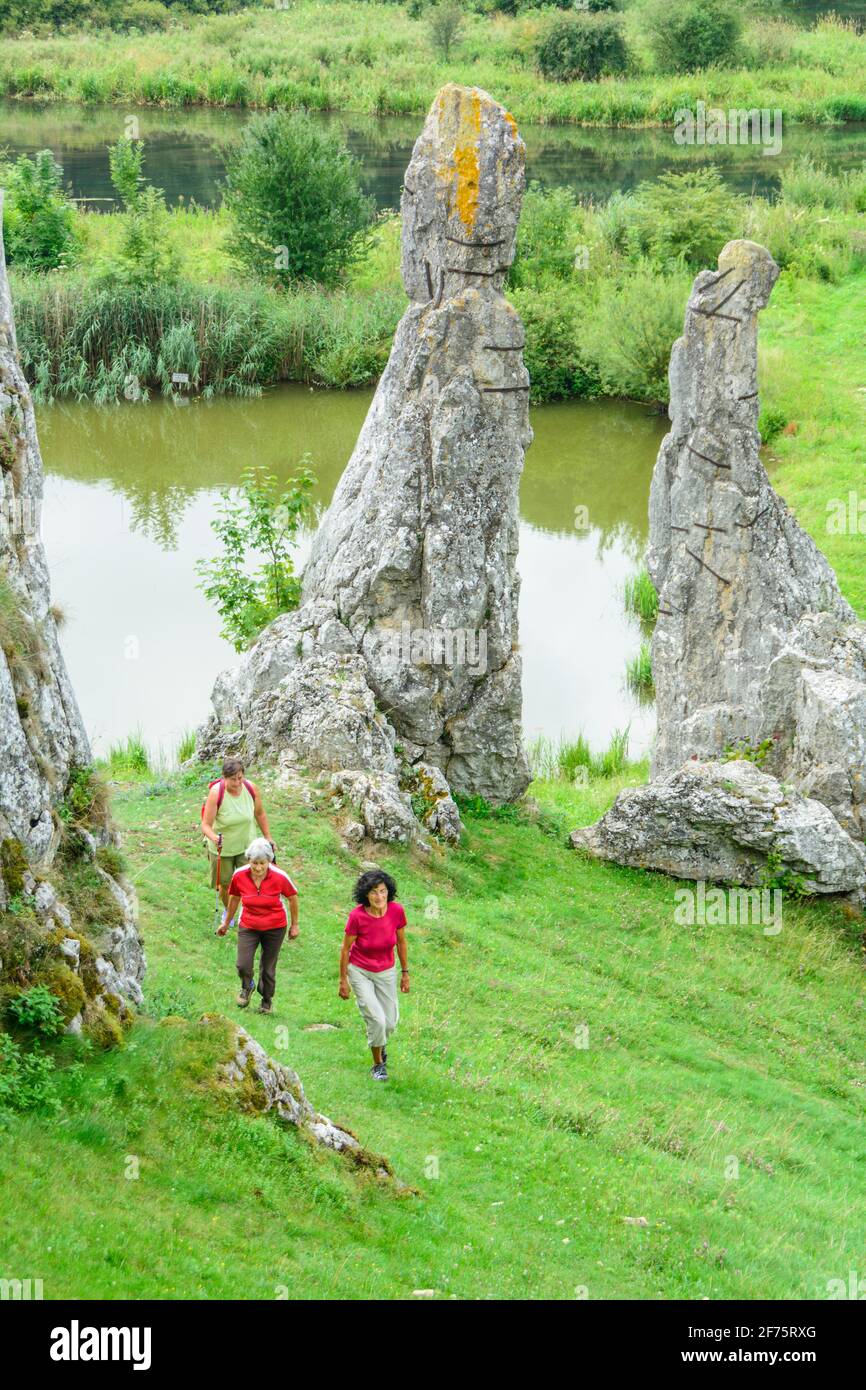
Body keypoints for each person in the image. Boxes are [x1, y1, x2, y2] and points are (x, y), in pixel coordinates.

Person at [338, 870, 409, 1081]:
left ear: (389, 892)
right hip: (360, 971)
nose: (379, 897)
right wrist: (343, 980)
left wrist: (405, 973)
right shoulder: (357, 916)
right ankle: (378, 1065)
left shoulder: (396, 912)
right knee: (376, 1020)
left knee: (390, 1023)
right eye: (373, 893)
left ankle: (381, 1045)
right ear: (365, 895)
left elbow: (402, 942)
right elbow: (344, 949)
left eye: (382, 891)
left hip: (386, 971)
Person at [218, 838, 299, 1015]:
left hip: (275, 926)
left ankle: (266, 1000)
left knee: (268, 968)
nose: (258, 868)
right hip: (249, 924)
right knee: (242, 964)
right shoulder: (239, 875)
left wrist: (295, 925)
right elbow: (234, 898)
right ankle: (247, 987)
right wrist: (226, 923)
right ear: (249, 860)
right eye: (254, 863)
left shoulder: (279, 876)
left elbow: (292, 897)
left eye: (262, 863)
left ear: (269, 861)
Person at [201, 758, 274, 927]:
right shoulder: (216, 793)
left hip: (247, 846)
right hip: (222, 849)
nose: (237, 782)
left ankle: (247, 910)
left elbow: (260, 814)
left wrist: (268, 837)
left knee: (252, 880)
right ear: (224, 778)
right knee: (225, 884)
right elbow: (205, 825)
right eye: (233, 779)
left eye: (240, 777)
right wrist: (214, 838)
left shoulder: (250, 788)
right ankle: (229, 911)